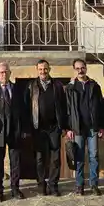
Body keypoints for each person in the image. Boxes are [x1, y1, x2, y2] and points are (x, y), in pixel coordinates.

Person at [0, 61, 26, 201]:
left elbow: (24, 111)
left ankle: (15, 189)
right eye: (1, 72)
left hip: (15, 131)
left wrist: (23, 129)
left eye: (6, 72)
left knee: (15, 162)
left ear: (10, 73)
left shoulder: (18, 89)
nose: (4, 74)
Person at [25, 60, 67, 197]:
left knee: (55, 159)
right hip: (38, 128)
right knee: (40, 159)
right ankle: (41, 185)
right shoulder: (31, 86)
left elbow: (63, 106)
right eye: (40, 69)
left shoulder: (57, 85)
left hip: (54, 127)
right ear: (37, 70)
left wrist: (64, 126)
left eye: (45, 69)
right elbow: (26, 107)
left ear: (49, 69)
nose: (43, 71)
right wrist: (27, 128)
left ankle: (53, 185)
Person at [65, 58, 104, 196]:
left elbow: (101, 107)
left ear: (86, 68)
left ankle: (94, 184)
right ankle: (79, 184)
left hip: (93, 127)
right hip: (78, 128)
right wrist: (68, 128)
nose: (80, 70)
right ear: (74, 70)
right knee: (79, 157)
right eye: (77, 68)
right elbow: (67, 110)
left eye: (82, 68)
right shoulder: (70, 88)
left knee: (94, 156)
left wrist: (101, 126)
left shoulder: (94, 86)